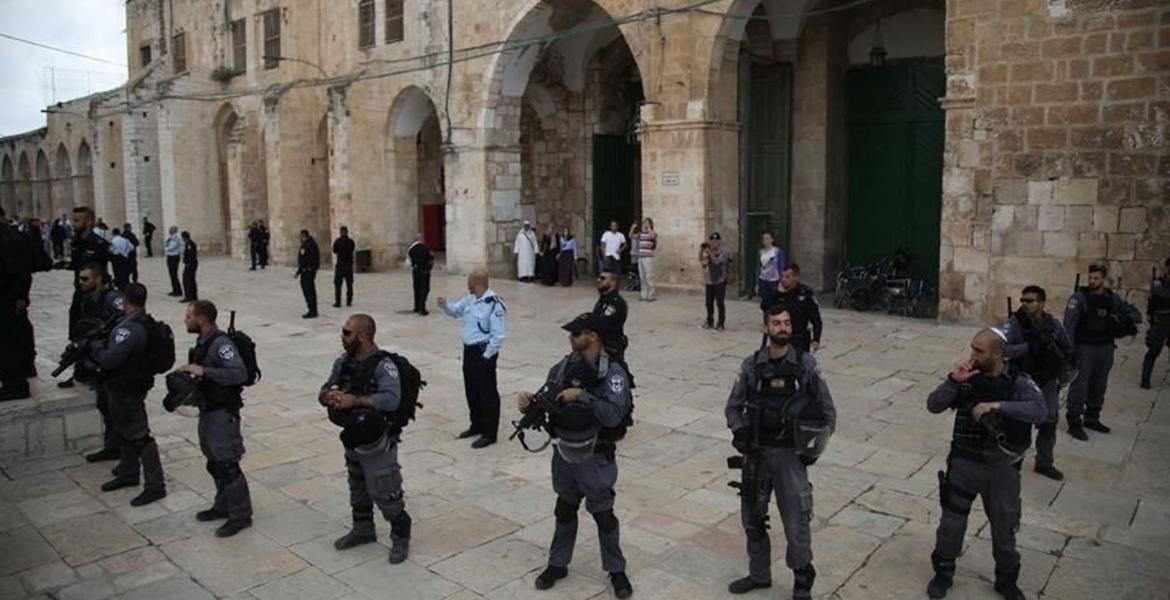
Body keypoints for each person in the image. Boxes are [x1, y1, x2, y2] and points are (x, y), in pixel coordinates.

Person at [925, 328, 1048, 600]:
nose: (973, 355)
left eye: (979, 351)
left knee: (1004, 527)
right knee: (951, 524)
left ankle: (1006, 579)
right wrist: (953, 381)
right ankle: (944, 572)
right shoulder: (967, 379)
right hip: (965, 462)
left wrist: (997, 407)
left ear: (998, 353)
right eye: (972, 348)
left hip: (1002, 468)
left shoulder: (1018, 383)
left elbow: (1040, 411)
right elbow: (933, 405)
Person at [725, 305, 835, 600]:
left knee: (796, 520)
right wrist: (740, 432)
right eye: (776, 323)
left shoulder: (806, 365)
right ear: (766, 328)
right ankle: (759, 574)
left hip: (790, 456)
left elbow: (827, 411)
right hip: (758, 453)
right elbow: (732, 407)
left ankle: (802, 579)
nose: (783, 327)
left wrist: (813, 450)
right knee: (753, 517)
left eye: (787, 322)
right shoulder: (751, 366)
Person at [520, 313, 634, 599]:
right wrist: (529, 404)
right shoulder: (563, 366)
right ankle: (558, 564)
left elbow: (613, 414)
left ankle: (616, 570)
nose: (570, 337)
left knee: (603, 515)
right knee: (565, 508)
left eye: (576, 333)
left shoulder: (614, 373)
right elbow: (548, 395)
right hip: (565, 451)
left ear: (592, 336)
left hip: (595, 455)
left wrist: (580, 396)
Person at [320, 314, 413, 563]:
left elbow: (391, 399)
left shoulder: (384, 366)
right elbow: (326, 387)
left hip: (378, 439)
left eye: (347, 332)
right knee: (357, 484)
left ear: (363, 336)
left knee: (386, 489)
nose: (342, 336)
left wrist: (356, 400)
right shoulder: (344, 362)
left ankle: (400, 537)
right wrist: (330, 397)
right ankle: (363, 530)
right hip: (353, 436)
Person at [82, 283, 166, 507]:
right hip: (129, 385)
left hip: (126, 387)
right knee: (126, 431)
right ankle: (129, 473)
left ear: (127, 300)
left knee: (140, 436)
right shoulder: (144, 322)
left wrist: (95, 346)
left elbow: (110, 359)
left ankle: (155, 485)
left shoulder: (128, 328)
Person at [178, 300, 254, 537]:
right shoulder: (203, 342)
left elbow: (238, 373)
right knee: (214, 462)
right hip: (208, 410)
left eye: (189, 317)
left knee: (228, 464)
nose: (186, 321)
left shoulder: (221, 343)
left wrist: (204, 371)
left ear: (201, 319)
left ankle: (240, 515)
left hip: (223, 413)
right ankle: (223, 505)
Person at [1002, 286, 1074, 481]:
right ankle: (1013, 461)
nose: (1024, 304)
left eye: (1030, 300)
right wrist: (1028, 347)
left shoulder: (1053, 325)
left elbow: (1067, 348)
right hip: (1023, 380)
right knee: (1019, 423)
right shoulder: (1015, 324)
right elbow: (1002, 350)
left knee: (1049, 422)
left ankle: (1044, 463)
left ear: (1041, 303)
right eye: (1023, 300)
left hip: (1047, 380)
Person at [1063, 262, 1142, 439]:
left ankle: (1092, 417)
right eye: (1090, 278)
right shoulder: (1079, 298)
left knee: (1099, 385)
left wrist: (1125, 319)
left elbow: (1135, 315)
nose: (1092, 281)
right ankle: (1074, 421)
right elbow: (1069, 326)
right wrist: (1070, 351)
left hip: (1105, 347)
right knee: (1080, 386)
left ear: (1103, 279)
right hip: (1085, 348)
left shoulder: (1111, 297)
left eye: (1096, 278)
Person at [439, 268, 507, 449]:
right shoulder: (470, 299)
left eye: (469, 281)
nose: (467, 284)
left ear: (476, 283)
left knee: (487, 392)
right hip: (469, 351)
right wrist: (445, 305)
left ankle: (489, 433)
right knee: (472, 389)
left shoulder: (494, 304)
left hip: (483, 352)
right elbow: (456, 311)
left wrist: (487, 355)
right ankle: (476, 424)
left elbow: (498, 335)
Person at [65, 266, 127, 458]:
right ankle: (112, 446)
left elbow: (124, 320)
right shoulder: (87, 298)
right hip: (97, 358)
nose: (81, 283)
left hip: (111, 358)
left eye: (85, 279)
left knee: (117, 407)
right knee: (104, 403)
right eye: (80, 279)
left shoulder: (112, 298)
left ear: (99, 279)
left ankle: (126, 451)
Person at [0, 207, 46, 401]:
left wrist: (18, 296)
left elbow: (12, 269)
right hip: (15, 296)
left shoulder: (6, 239)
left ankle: (15, 385)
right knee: (19, 335)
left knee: (7, 342)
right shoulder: (16, 235)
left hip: (6, 298)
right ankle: (26, 370)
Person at [765, 264, 823, 353]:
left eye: (787, 277)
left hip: (799, 339)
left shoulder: (805, 293)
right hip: (780, 337)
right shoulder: (776, 292)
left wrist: (816, 339)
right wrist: (777, 293)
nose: (784, 280)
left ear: (796, 278)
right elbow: (764, 306)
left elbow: (816, 319)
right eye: (782, 276)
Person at [1141, 257, 1170, 389]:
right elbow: (1159, 296)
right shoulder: (1159, 283)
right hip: (1161, 321)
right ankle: (1145, 379)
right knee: (1153, 350)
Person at [592, 269, 629, 365]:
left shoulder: (616, 303)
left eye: (603, 278)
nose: (598, 280)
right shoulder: (603, 300)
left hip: (611, 347)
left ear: (613, 282)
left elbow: (604, 324)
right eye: (599, 277)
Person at [700, 232, 732, 331]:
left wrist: (710, 253)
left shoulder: (724, 252)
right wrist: (702, 251)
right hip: (709, 280)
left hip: (720, 279)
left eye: (716, 241)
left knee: (720, 302)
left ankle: (721, 323)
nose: (714, 243)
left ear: (719, 241)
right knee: (708, 302)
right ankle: (710, 321)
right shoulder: (708, 251)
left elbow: (717, 262)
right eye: (712, 241)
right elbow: (703, 263)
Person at [69, 206, 112, 278]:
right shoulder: (75, 242)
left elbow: (119, 260)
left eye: (77, 220)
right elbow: (78, 263)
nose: (73, 224)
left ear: (89, 222)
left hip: (97, 286)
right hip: (80, 285)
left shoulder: (100, 243)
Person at [296, 229, 320, 318]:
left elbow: (304, 259)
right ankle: (313, 309)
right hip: (310, 270)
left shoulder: (307, 245)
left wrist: (299, 271)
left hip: (307, 271)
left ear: (303, 235)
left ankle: (312, 310)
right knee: (310, 290)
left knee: (308, 291)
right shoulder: (312, 243)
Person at [631, 218, 657, 301]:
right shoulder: (640, 234)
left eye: (647, 222)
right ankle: (644, 295)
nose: (645, 224)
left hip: (648, 258)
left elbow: (653, 236)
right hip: (640, 257)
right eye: (644, 222)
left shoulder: (652, 234)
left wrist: (648, 227)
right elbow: (630, 236)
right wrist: (633, 228)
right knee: (642, 276)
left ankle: (651, 295)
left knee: (649, 276)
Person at [407, 235, 434, 315]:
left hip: (415, 270)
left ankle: (416, 306)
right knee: (424, 289)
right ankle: (422, 307)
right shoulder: (426, 248)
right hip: (424, 271)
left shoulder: (411, 249)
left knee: (416, 288)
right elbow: (431, 258)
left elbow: (408, 262)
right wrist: (429, 268)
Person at [757, 231, 785, 305]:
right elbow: (759, 267)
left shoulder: (777, 251)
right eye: (764, 239)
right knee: (765, 301)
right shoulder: (761, 252)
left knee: (774, 300)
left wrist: (782, 280)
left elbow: (781, 266)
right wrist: (757, 282)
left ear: (772, 240)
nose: (765, 241)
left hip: (774, 279)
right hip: (763, 279)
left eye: (767, 238)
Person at [332, 226, 356, 308]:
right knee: (349, 284)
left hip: (340, 265)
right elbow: (352, 249)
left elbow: (334, 250)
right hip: (348, 265)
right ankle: (349, 301)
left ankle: (338, 302)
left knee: (338, 284)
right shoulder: (351, 242)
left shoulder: (338, 241)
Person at [164, 226, 183, 297]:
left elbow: (173, 246)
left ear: (174, 230)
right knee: (171, 274)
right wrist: (167, 247)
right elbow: (166, 243)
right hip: (170, 256)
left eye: (170, 229)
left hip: (174, 256)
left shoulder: (176, 237)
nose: (169, 230)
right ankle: (174, 289)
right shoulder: (170, 237)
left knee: (174, 274)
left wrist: (166, 248)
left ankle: (178, 291)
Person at [181, 231, 199, 303]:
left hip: (190, 264)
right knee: (190, 280)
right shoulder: (189, 243)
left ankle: (190, 296)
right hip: (190, 263)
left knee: (187, 280)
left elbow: (191, 255)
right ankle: (192, 296)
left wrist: (188, 262)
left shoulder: (190, 244)